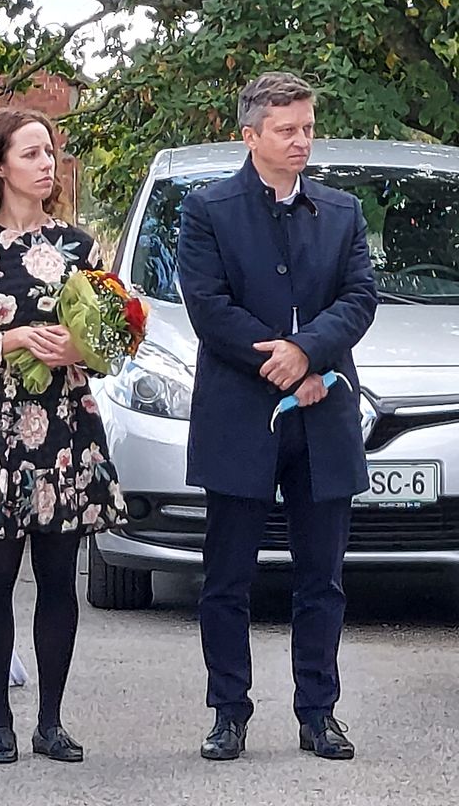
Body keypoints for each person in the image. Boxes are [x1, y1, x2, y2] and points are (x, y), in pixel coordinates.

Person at [177, 71, 377, 761]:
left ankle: (319, 713)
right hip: (240, 413)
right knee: (227, 578)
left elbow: (358, 297)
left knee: (322, 579)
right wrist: (282, 360)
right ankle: (228, 712)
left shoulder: (342, 211)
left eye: (308, 128)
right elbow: (209, 306)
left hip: (324, 411)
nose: (301, 141)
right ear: (251, 135)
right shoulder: (208, 209)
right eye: (287, 130)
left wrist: (310, 355)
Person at [0, 107, 127, 765]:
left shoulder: (80, 247)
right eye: (32, 153)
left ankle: (50, 721)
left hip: (64, 431)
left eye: (50, 152)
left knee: (59, 578)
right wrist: (13, 338)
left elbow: (115, 339)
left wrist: (80, 347)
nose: (47, 164)